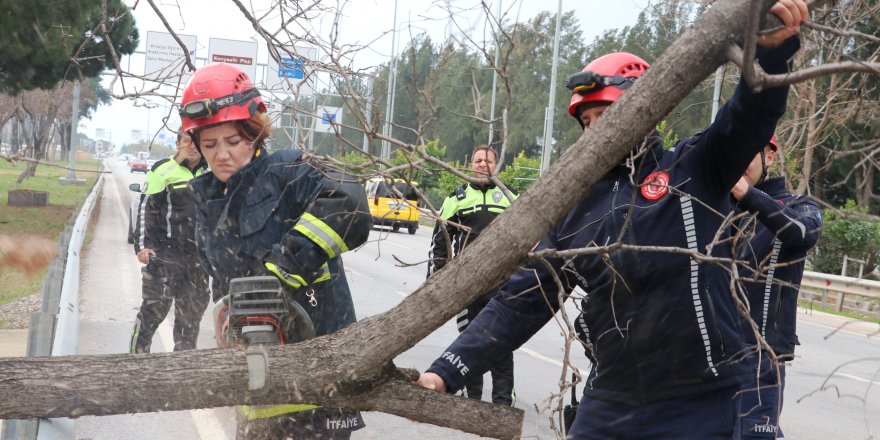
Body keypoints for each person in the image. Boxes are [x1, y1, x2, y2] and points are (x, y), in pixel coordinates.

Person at [418, 1, 809, 438]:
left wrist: (771, 54)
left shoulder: (696, 168)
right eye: (587, 122)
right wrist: (445, 371)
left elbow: (747, 119)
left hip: (703, 400)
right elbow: (520, 302)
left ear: (650, 109)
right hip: (610, 403)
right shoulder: (574, 208)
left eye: (605, 116)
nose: (595, 132)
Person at [181, 62, 371, 440]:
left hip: (321, 381)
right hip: (256, 386)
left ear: (255, 133)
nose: (222, 155)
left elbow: (349, 202)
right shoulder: (204, 200)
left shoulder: (292, 172)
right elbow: (218, 285)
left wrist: (280, 272)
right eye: (210, 144)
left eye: (233, 141)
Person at [731, 134, 822, 438]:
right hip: (703, 358)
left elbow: (803, 233)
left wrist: (747, 195)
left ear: (768, 157)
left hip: (759, 361)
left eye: (747, 152)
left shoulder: (800, 207)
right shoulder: (714, 208)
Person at [427, 145, 517, 406]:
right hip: (467, 287)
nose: (482, 164)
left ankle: (503, 403)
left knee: (501, 344)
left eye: (488, 161)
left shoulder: (510, 196)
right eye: (477, 160)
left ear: (496, 166)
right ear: (470, 164)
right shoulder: (456, 198)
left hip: (503, 285)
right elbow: (439, 243)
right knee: (470, 342)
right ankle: (472, 401)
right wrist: (438, 281)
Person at [130, 129, 210, 353]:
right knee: (152, 313)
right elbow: (146, 209)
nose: (192, 146)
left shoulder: (211, 171)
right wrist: (143, 246)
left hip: (198, 260)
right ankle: (135, 358)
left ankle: (182, 368)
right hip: (165, 256)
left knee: (190, 321)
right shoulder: (163, 170)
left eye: (197, 142)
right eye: (187, 141)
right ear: (177, 144)